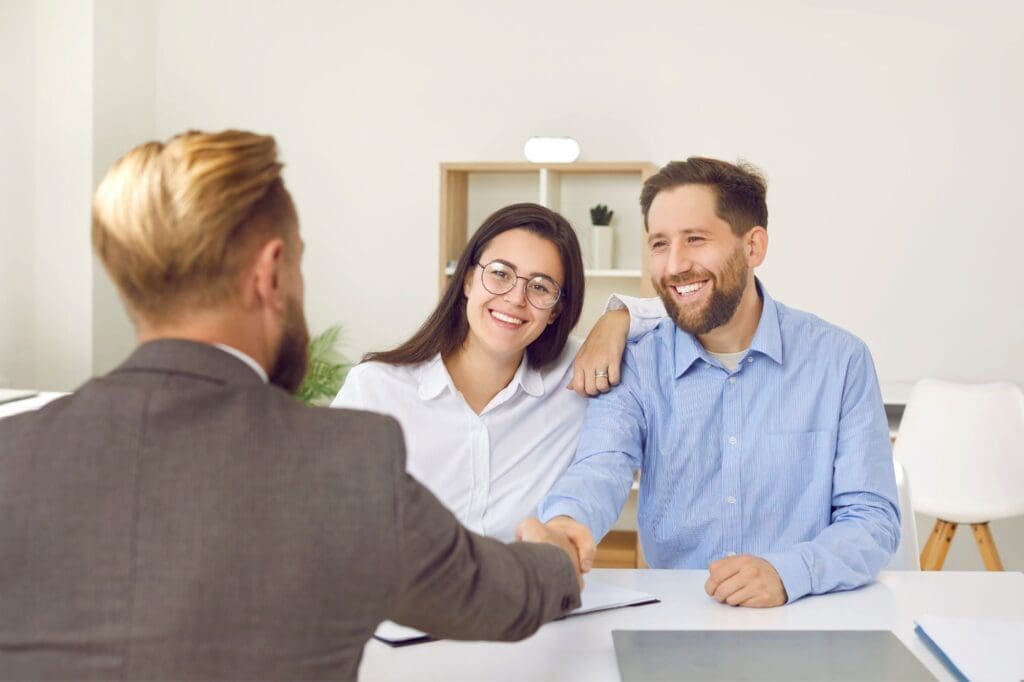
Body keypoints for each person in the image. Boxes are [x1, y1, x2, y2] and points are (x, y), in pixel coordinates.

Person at [0, 130, 582, 681]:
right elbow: (489, 594)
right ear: (270, 272)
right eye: (300, 261)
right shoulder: (343, 459)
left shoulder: (13, 454)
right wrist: (556, 559)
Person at [535, 157, 900, 607]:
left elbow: (872, 519)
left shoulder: (840, 360)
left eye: (696, 239)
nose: (674, 265)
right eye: (659, 243)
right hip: (676, 616)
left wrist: (789, 573)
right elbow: (601, 465)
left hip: (806, 609)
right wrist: (567, 520)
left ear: (753, 247)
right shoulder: (636, 362)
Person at [332, 203, 651, 542]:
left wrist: (619, 316)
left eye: (540, 286)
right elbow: (321, 511)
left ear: (557, 310)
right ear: (468, 279)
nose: (516, 298)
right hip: (404, 591)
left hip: (527, 591)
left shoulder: (577, 377)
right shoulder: (376, 389)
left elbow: (691, 313)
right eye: (500, 273)